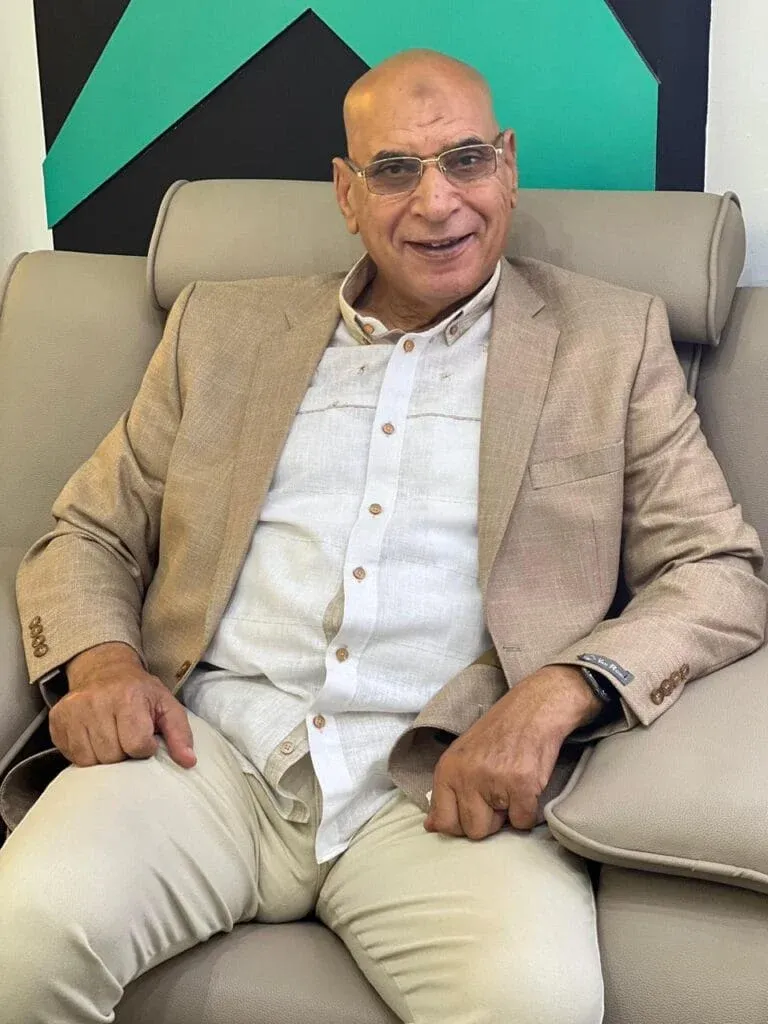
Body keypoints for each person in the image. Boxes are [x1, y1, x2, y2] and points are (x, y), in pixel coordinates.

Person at [2, 47, 766, 1024]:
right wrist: (103, 666)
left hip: (441, 776)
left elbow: (716, 569)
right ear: (347, 192)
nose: (437, 202)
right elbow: (88, 530)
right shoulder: (218, 328)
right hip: (207, 754)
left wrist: (555, 694)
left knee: (533, 1003)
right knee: (20, 939)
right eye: (396, 169)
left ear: (508, 166)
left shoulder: (611, 344)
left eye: (467, 160)